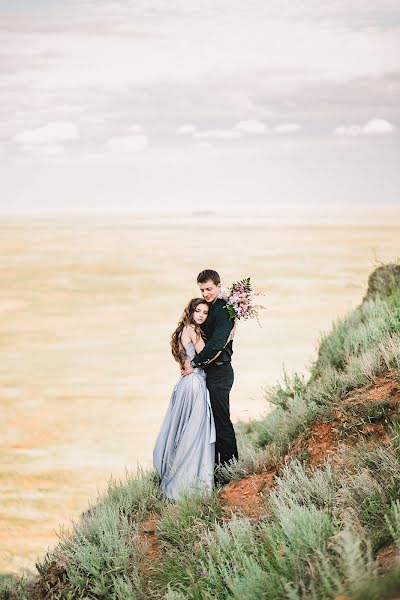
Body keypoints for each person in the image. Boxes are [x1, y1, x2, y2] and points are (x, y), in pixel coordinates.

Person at [153, 298, 216, 502]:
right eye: (198, 311)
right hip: (195, 385)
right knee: (195, 433)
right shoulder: (193, 330)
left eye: (205, 313)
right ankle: (189, 482)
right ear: (190, 312)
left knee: (185, 430)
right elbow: (207, 355)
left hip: (184, 385)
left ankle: (182, 478)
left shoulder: (183, 330)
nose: (201, 315)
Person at [181, 269, 239, 480]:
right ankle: (213, 471)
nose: (205, 293)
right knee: (211, 423)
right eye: (202, 290)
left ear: (218, 285)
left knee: (222, 422)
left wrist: (194, 363)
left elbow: (216, 344)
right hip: (210, 372)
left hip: (220, 372)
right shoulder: (212, 308)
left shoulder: (223, 309)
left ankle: (231, 471)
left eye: (209, 289)